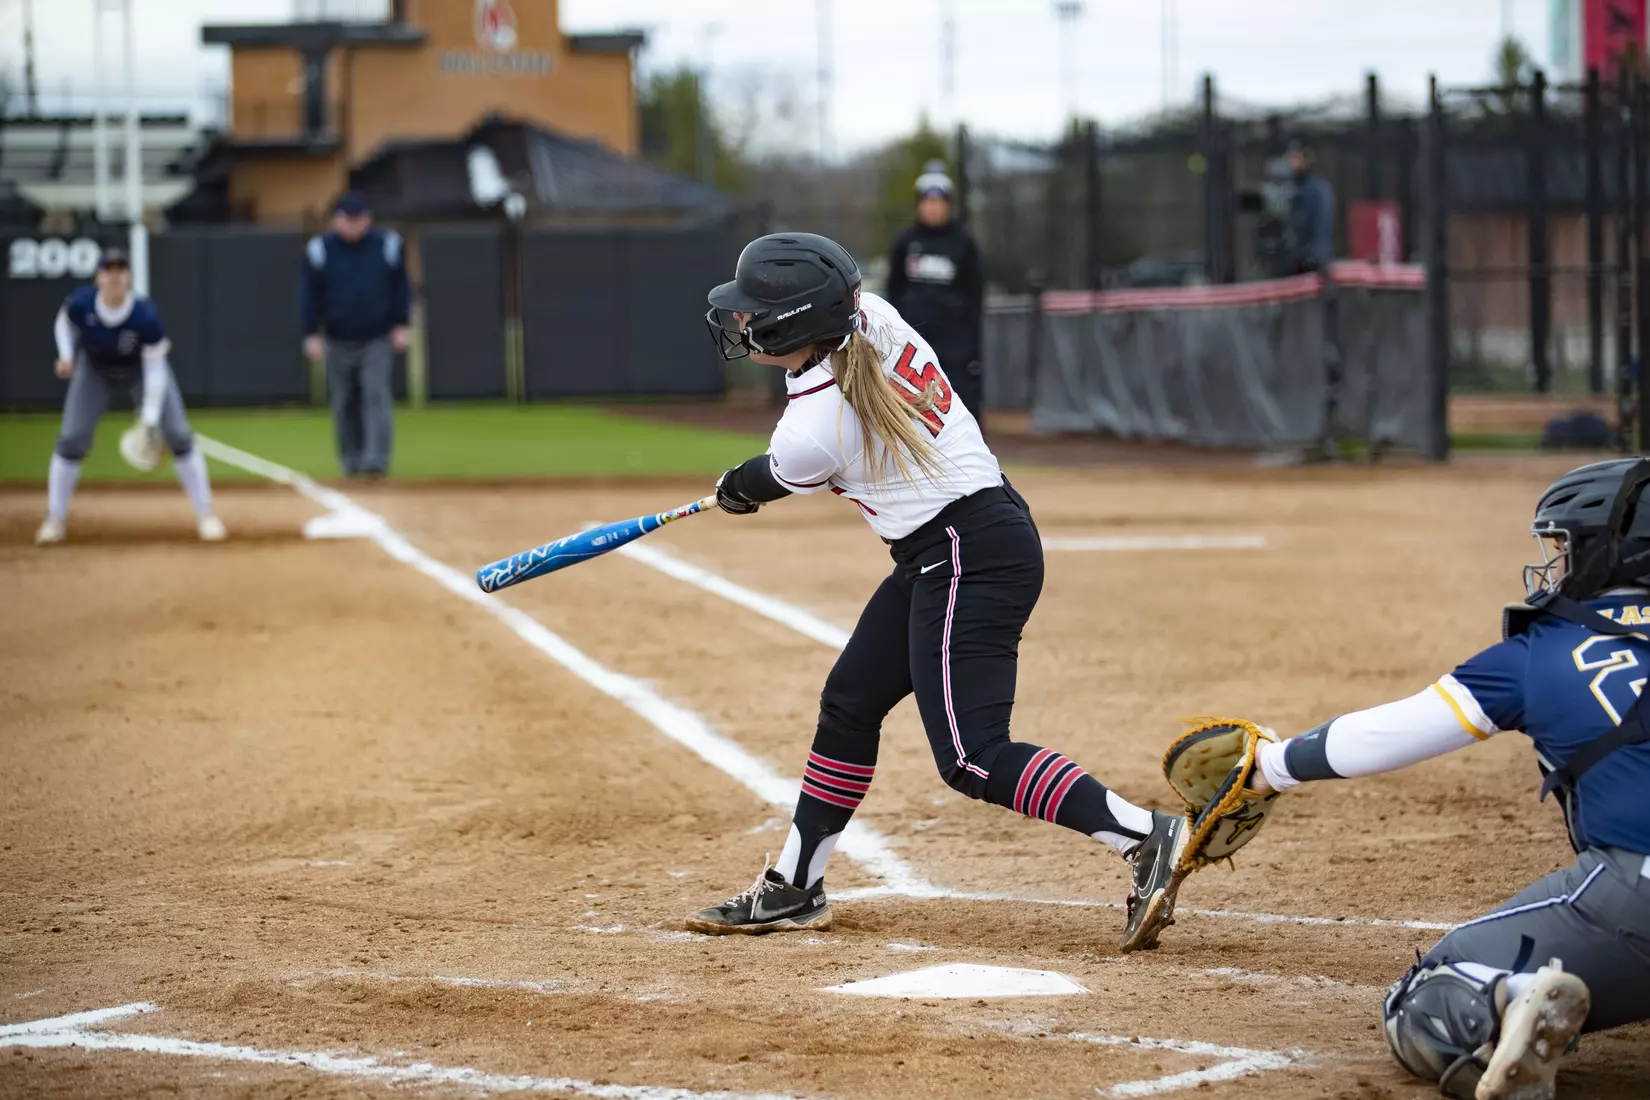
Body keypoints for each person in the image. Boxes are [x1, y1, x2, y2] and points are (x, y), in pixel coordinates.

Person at [687, 232, 1185, 949]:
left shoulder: (811, 431)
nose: (741, 321)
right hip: (966, 536)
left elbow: (780, 469)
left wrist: (740, 485)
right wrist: (748, 480)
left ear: (792, 324)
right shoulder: (874, 317)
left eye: (754, 310)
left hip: (964, 553)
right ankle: (797, 884)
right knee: (851, 699)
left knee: (973, 755)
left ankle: (1144, 834)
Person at [1194, 457, 1650, 1100]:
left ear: (1614, 553)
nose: (1557, 566)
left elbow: (1382, 737)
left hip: (1636, 900)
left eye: (1566, 547)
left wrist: (1268, 768)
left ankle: (1508, 1001)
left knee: (1429, 992)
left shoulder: (1539, 654)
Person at [37, 249, 225, 546]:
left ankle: (206, 515)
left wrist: (149, 421)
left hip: (140, 369)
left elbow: (155, 371)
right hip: (95, 368)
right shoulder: (81, 303)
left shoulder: (144, 315)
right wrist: (66, 355)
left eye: (120, 270)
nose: (114, 276)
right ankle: (54, 519)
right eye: (108, 270)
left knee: (178, 435)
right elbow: (64, 322)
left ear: (129, 277)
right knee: (72, 438)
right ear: (98, 277)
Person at [301, 192, 411, 479]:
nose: (353, 225)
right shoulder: (320, 250)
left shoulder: (387, 244)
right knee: (343, 401)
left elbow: (401, 287)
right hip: (337, 337)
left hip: (377, 336)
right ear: (336, 220)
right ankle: (350, 460)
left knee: (376, 395)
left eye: (358, 219)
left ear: (368, 219)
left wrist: (401, 324)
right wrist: (311, 332)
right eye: (347, 219)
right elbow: (309, 295)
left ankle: (376, 461)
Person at [885, 160, 987, 435]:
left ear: (948, 204)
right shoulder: (905, 242)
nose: (932, 207)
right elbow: (893, 290)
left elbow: (975, 296)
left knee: (961, 407)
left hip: (955, 345)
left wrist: (971, 347)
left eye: (938, 201)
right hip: (914, 341)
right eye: (926, 201)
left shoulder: (963, 243)